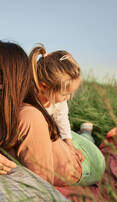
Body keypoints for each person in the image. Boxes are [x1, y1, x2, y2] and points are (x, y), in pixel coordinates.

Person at [0, 40, 103, 186]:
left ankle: (86, 133)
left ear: (4, 80)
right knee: (57, 134)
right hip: (51, 138)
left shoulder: (28, 118)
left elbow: (40, 187)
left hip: (86, 161)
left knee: (83, 139)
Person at [28, 44, 105, 185]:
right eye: (65, 94)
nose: (68, 98)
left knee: (83, 144)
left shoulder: (57, 100)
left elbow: (62, 118)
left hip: (58, 132)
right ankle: (83, 134)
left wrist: (69, 143)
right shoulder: (29, 101)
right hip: (50, 135)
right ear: (44, 87)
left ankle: (86, 132)